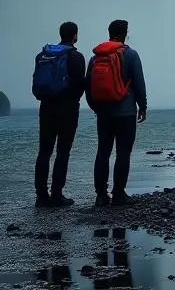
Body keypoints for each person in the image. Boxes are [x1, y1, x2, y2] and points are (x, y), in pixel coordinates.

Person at [86, 18, 147, 207]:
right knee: (123, 153)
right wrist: (142, 106)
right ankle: (119, 194)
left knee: (102, 152)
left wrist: (96, 107)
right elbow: (138, 83)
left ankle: (101, 195)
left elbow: (88, 86)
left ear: (109, 32)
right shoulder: (131, 55)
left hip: (103, 112)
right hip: (126, 112)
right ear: (124, 33)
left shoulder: (95, 57)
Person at [32, 21, 87, 207]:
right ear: (75, 36)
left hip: (46, 107)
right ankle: (57, 193)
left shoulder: (43, 54)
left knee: (44, 151)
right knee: (63, 152)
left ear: (60, 34)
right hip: (68, 108)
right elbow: (80, 85)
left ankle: (41, 195)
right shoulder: (76, 57)